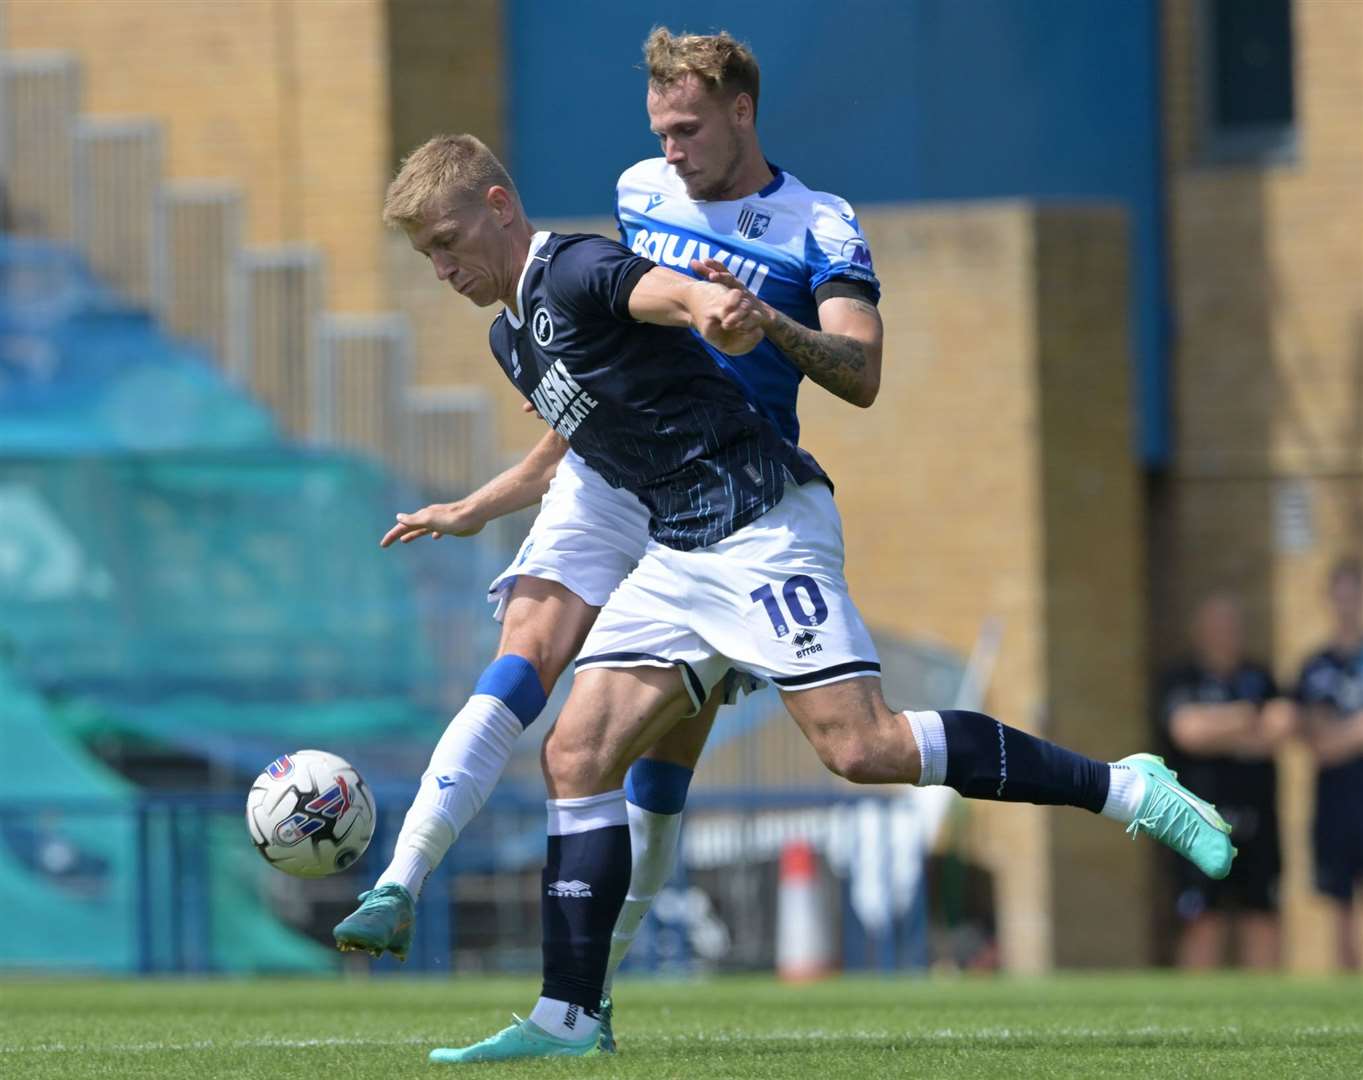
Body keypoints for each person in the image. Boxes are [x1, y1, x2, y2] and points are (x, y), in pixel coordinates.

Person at [366, 131, 1235, 1065]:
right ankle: (567, 1017)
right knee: (576, 755)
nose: (442, 267)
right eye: (427, 256)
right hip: (675, 550)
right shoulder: (512, 337)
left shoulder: (575, 267)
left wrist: (709, 303)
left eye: (448, 241)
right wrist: (471, 508)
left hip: (760, 521)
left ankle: (1129, 788)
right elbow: (578, 439)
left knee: (861, 748)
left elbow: (654, 289)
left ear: (499, 206)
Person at [334, 28, 885, 1017]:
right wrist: (481, 503)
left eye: (686, 129)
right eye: (659, 131)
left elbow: (853, 371)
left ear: (740, 113)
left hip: (726, 479)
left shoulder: (820, 222)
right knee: (527, 659)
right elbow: (596, 371)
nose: (670, 151)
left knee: (664, 762)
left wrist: (744, 317)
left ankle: (604, 969)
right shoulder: (635, 194)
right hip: (610, 467)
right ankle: (400, 879)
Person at [1158, 592, 1294, 969]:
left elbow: (1280, 728)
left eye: (1232, 626)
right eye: (1217, 626)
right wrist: (1246, 718)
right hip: (1198, 822)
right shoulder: (1181, 679)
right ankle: (1194, 1016)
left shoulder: (1260, 677)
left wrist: (1220, 730)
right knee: (1202, 918)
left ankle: (1268, 1013)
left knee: (1262, 914)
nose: (1226, 633)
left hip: (1257, 817)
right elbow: (1188, 731)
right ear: (1199, 631)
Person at [1296, 556, 1363, 970]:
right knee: (1338, 905)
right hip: (1336, 801)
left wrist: (1344, 732)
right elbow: (1321, 743)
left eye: (1354, 595)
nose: (1347, 604)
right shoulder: (1316, 667)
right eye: (1339, 596)